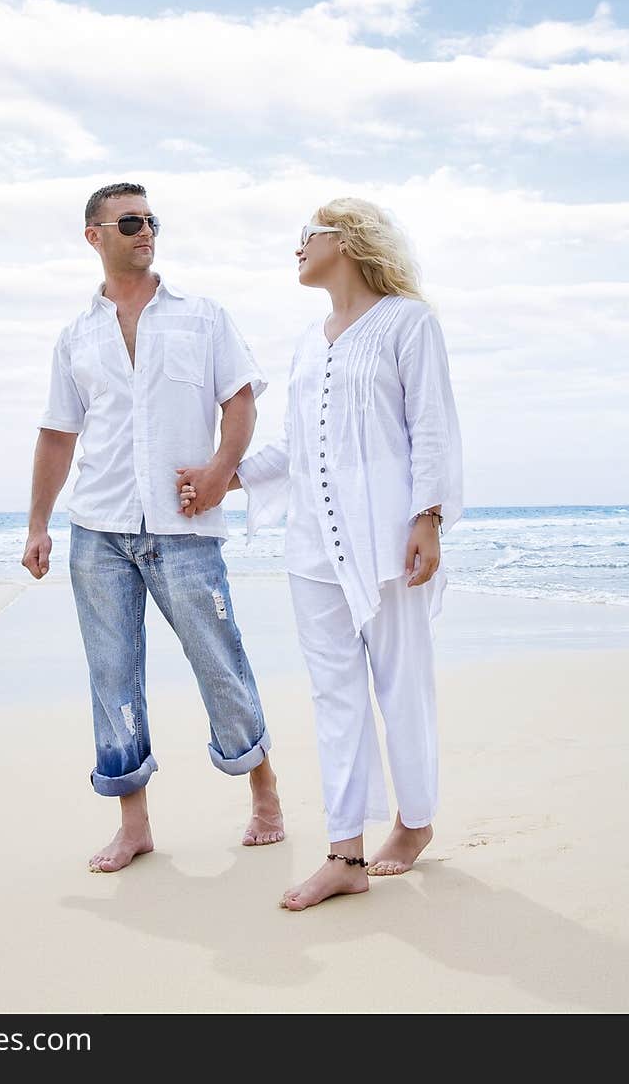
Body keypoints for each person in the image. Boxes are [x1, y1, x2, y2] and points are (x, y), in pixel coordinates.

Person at [180, 197, 462, 911]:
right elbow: (297, 448)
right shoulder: (310, 341)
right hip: (311, 549)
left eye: (306, 235)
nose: (296, 249)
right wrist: (227, 475)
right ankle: (344, 853)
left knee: (402, 686)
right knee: (334, 698)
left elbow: (431, 425)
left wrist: (427, 516)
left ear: (348, 238)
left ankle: (415, 821)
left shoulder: (408, 322)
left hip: (388, 541)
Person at [22, 181, 284, 873]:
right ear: (95, 236)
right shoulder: (75, 336)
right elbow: (57, 435)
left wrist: (223, 469)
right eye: (130, 221)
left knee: (219, 660)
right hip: (98, 529)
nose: (145, 231)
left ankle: (264, 794)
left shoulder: (202, 316)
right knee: (112, 676)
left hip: (184, 525)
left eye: (151, 220)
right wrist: (37, 525)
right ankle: (133, 824)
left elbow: (239, 400)